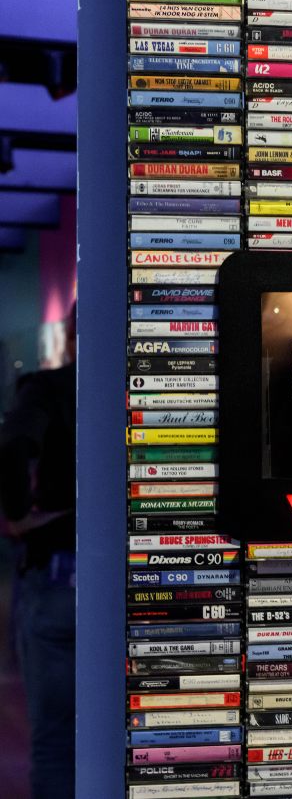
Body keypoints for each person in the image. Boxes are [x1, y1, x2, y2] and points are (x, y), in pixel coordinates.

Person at [0, 304, 75, 799]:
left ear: (69, 333)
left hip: (59, 575)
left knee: (53, 740)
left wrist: (18, 514)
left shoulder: (50, 389)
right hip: (144, 579)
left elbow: (13, 447)